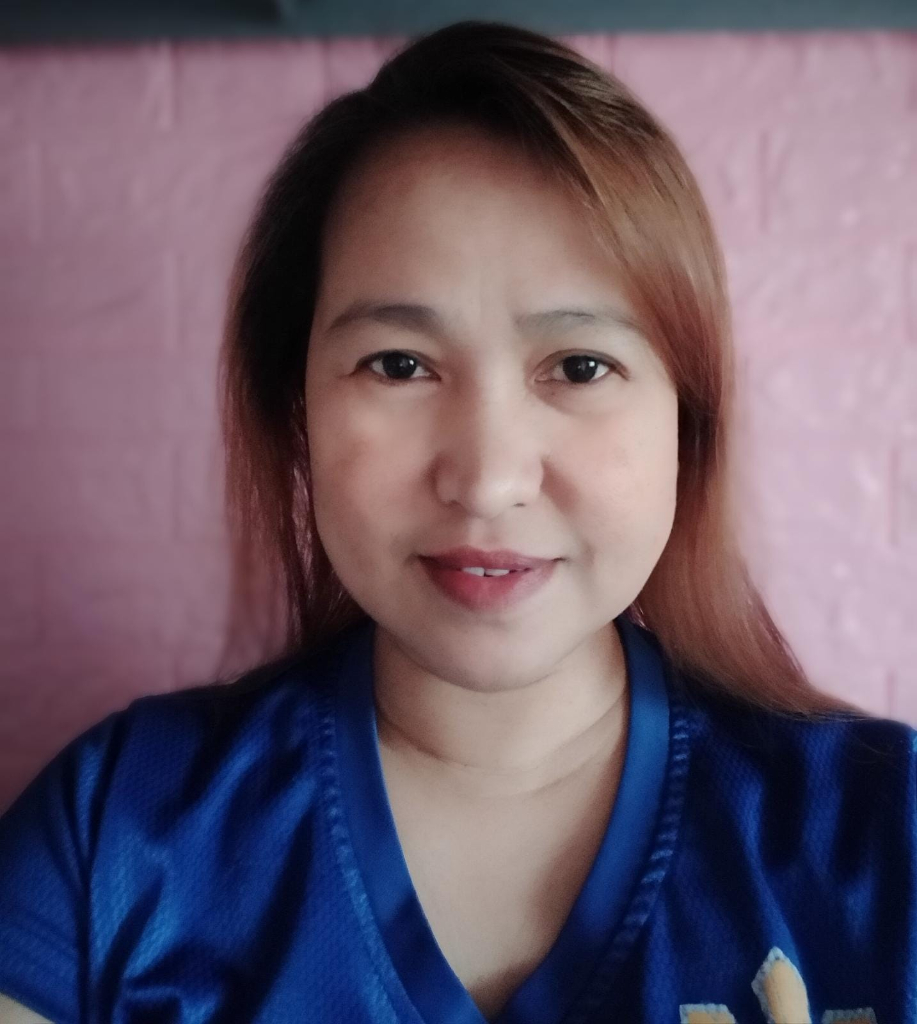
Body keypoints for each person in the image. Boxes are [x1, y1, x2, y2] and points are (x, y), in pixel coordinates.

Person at [0, 18, 913, 1024]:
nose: (486, 480)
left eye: (578, 366)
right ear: (298, 411)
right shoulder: (117, 832)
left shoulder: (885, 832)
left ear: (684, 421)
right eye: (398, 365)